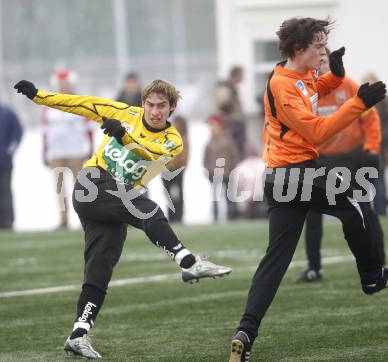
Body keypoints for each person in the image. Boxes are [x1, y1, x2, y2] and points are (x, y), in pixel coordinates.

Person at [228, 18, 388, 362]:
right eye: (318, 46)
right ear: (299, 49)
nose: (323, 51)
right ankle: (373, 277)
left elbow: (316, 88)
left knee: (275, 260)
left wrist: (338, 76)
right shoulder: (282, 85)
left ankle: (245, 332)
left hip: (282, 178)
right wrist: (358, 103)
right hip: (297, 175)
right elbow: (316, 132)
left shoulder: (299, 74)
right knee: (356, 204)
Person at [14, 78, 232, 359]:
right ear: (143, 104)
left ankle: (78, 335)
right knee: (149, 210)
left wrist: (124, 137)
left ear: (171, 108)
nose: (154, 111)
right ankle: (189, 262)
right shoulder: (124, 113)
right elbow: (80, 104)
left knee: (99, 271)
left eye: (161, 106)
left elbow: (149, 153)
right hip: (93, 184)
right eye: (150, 104)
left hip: (115, 203)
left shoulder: (172, 140)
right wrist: (39, 96)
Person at [296, 51, 386, 283]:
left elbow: (371, 119)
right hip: (319, 160)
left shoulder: (349, 86)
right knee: (312, 214)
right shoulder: (308, 91)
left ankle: (380, 263)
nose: (321, 64)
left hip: (351, 159)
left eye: (324, 60)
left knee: (365, 209)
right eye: (318, 61)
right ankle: (314, 268)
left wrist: (372, 149)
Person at [42, 70, 93, 229]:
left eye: (66, 85)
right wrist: (44, 150)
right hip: (56, 153)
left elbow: (89, 128)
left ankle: (85, 218)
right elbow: (45, 131)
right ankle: (63, 220)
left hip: (76, 153)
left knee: (80, 188)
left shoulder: (80, 104)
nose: (63, 88)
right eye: (60, 86)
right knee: (59, 189)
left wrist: (90, 147)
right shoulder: (49, 106)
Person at [364, 72, 388, 215]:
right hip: (367, 147)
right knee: (370, 179)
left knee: (380, 178)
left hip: (381, 147)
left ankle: (382, 209)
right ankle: (375, 210)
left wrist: (380, 138)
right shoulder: (363, 101)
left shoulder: (386, 100)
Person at [0, 84, 23, 231]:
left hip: (3, 163)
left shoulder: (6, 112)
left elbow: (17, 131)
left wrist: (9, 150)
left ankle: (7, 223)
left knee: (4, 192)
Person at [203, 114, 240, 221]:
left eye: (214, 125)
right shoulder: (209, 141)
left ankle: (232, 217)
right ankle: (215, 217)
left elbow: (234, 155)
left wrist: (232, 169)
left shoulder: (228, 139)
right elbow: (205, 158)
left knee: (229, 196)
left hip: (227, 173)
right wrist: (207, 169)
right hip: (213, 174)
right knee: (215, 197)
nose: (212, 127)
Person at [162, 115, 189, 222]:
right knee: (168, 194)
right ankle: (171, 216)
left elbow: (185, 155)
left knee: (178, 193)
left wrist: (180, 166)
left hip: (177, 170)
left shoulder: (184, 138)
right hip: (166, 169)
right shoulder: (167, 136)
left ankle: (179, 216)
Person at [216, 66, 246, 159]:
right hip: (232, 124)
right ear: (236, 76)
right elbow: (222, 105)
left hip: (236, 123)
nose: (243, 78)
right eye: (242, 75)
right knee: (234, 152)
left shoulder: (232, 88)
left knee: (239, 151)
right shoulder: (226, 88)